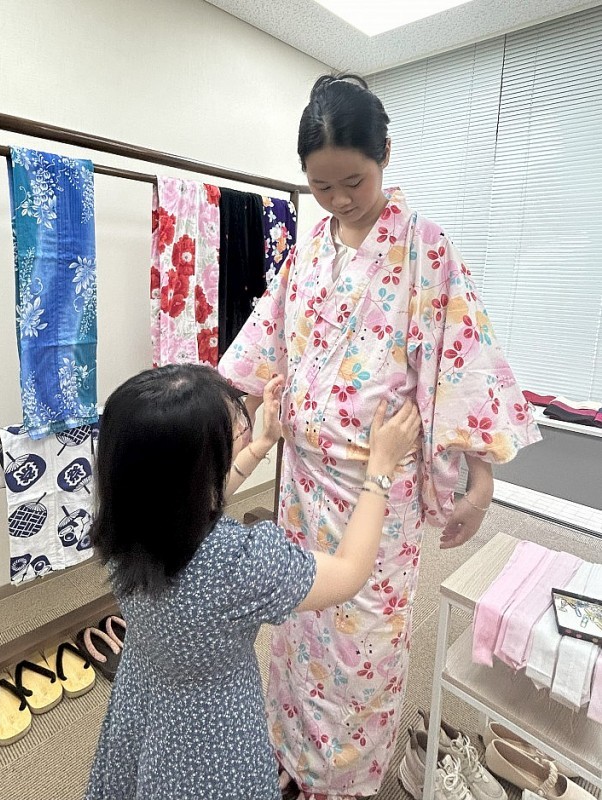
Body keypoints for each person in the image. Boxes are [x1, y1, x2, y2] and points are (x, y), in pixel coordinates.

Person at [217, 73, 542, 799]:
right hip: (303, 484)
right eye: (320, 187)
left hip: (380, 485)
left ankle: (349, 777)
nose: (337, 200)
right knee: (301, 629)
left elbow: (466, 361)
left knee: (362, 642)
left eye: (352, 182)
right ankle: (294, 758)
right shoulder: (306, 253)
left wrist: (481, 478)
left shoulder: (427, 250)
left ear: (386, 155)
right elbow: (266, 344)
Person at [83, 362, 420, 800]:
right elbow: (351, 573)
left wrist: (262, 442)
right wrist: (380, 470)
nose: (241, 427)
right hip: (217, 730)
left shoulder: (124, 528)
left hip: (145, 696)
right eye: (231, 432)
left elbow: (194, 500)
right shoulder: (241, 564)